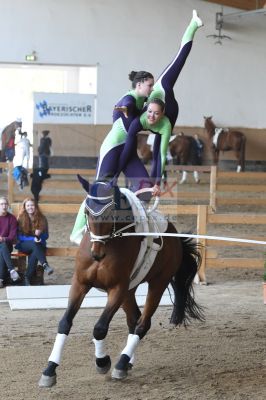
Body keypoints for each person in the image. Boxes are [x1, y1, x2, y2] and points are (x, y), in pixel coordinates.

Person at [115, 10, 203, 195]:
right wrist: (114, 175)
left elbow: (161, 156)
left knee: (157, 151)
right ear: (146, 109)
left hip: (171, 108)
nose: (152, 117)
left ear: (160, 114)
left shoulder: (165, 123)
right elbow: (130, 143)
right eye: (150, 113)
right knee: (131, 144)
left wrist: (156, 182)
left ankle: (192, 24)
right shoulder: (142, 117)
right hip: (157, 100)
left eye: (155, 114)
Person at [16, 198, 53, 285]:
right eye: (28, 205)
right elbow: (19, 237)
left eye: (32, 205)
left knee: (35, 251)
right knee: (35, 244)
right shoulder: (20, 218)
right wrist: (33, 239)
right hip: (24, 245)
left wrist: (40, 237)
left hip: (39, 245)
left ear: (35, 206)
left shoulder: (42, 218)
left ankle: (27, 278)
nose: (30, 207)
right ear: (25, 207)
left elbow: (46, 235)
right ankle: (45, 264)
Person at [0, 197, 20, 288]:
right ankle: (12, 270)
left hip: (7, 245)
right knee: (2, 250)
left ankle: (1, 279)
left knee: (3, 247)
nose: (4, 206)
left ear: (8, 206)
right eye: (1, 204)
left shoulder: (12, 218)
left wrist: (3, 239)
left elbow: (12, 236)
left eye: (5, 204)